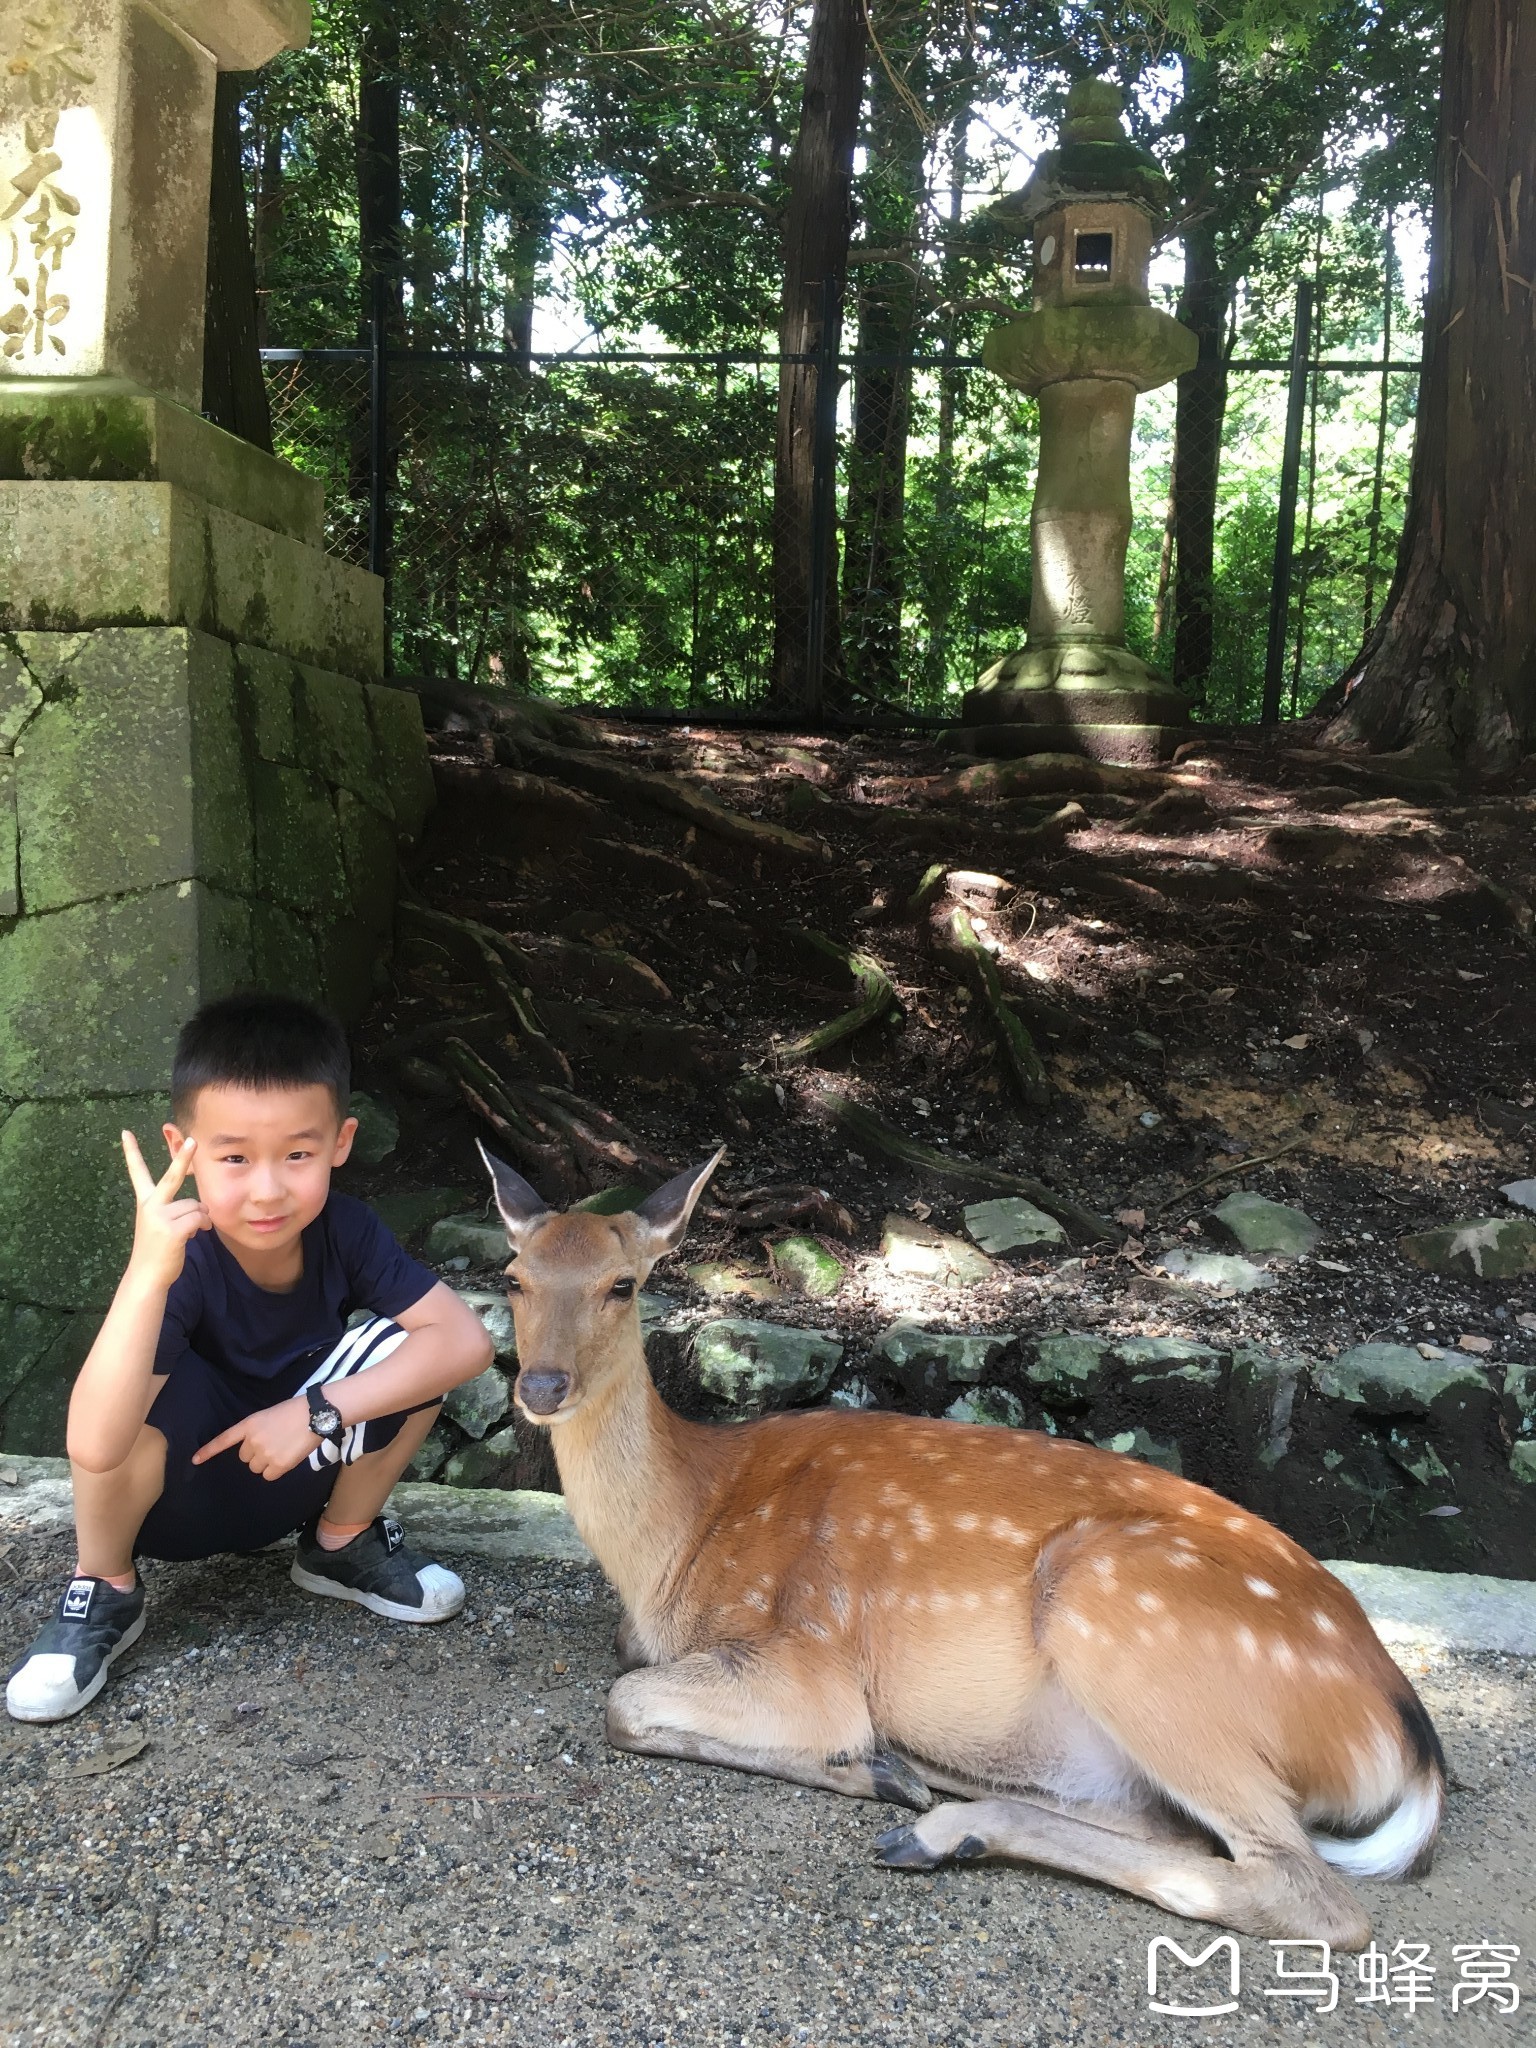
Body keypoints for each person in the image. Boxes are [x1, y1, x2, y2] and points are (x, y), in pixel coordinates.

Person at [5, 994, 494, 1723]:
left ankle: (339, 1544)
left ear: (340, 1141)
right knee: (128, 1385)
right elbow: (94, 1444)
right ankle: (103, 1589)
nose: (268, 1189)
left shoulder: (347, 1229)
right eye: (234, 1157)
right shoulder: (180, 1263)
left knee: (407, 1353)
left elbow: (465, 1343)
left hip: (294, 1466)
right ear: (184, 1149)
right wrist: (145, 1273)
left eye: (297, 1154)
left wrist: (316, 1411)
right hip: (176, 1500)